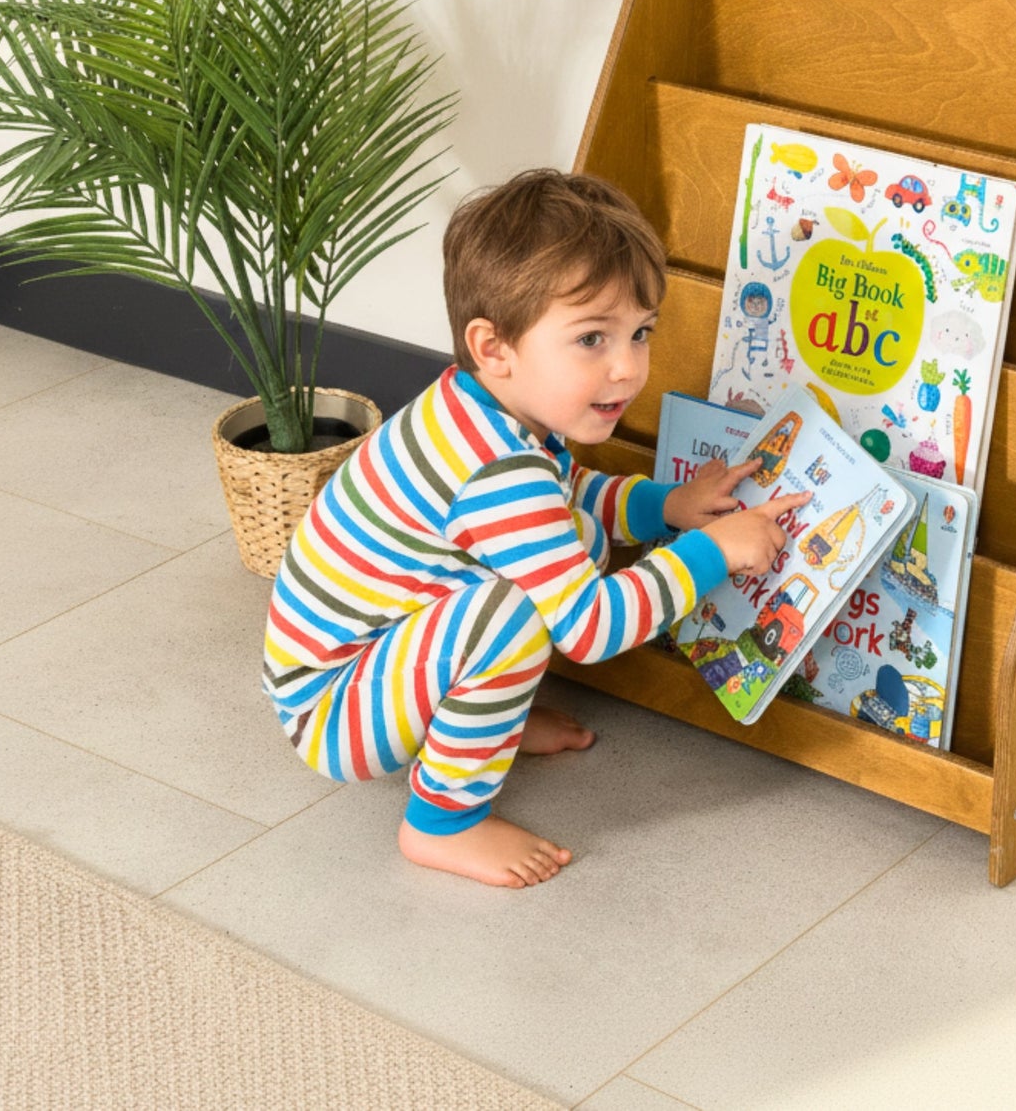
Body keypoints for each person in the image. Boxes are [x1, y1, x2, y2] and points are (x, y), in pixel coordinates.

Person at [261, 169, 808, 889]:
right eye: (592, 338)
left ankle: (484, 723)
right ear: (494, 347)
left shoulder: (479, 404)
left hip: (374, 661)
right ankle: (440, 825)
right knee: (514, 616)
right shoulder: (495, 468)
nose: (628, 366)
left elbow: (564, 492)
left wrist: (664, 507)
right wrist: (710, 552)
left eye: (640, 332)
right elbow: (590, 628)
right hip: (334, 706)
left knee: (564, 539)